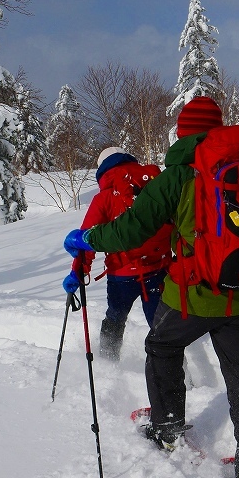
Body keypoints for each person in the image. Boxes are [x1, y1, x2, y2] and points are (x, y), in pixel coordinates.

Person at [62, 96, 239, 478]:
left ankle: (166, 430)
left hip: (193, 294)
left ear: (182, 133)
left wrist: (88, 239)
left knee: (161, 346)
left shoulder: (178, 176)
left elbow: (131, 230)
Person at [69, 146, 172, 361]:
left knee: (115, 317)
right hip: (159, 269)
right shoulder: (155, 187)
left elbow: (86, 238)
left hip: (122, 274)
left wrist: (78, 271)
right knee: (161, 327)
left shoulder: (104, 198)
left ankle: (109, 361)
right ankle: (178, 373)